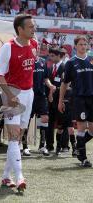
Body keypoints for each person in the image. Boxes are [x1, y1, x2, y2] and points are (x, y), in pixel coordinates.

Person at [0, 14, 37, 192]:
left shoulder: (34, 44)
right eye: (30, 27)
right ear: (20, 29)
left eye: (34, 26)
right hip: (13, 96)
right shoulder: (8, 47)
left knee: (18, 138)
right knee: (13, 137)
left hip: (29, 93)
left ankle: (5, 176)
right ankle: (19, 177)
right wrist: (9, 94)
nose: (34, 29)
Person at [59, 35, 93, 167]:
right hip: (79, 98)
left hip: (92, 98)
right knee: (81, 127)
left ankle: (79, 147)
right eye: (81, 44)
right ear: (75, 46)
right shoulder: (71, 62)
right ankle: (83, 158)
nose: (83, 46)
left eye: (85, 44)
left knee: (92, 130)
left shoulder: (91, 60)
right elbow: (64, 84)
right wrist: (60, 101)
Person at [22, 55, 56, 156]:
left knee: (45, 119)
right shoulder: (26, 61)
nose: (34, 49)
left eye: (36, 47)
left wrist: (50, 86)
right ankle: (25, 147)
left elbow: (46, 78)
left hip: (41, 96)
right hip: (29, 95)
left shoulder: (42, 62)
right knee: (26, 121)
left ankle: (42, 146)